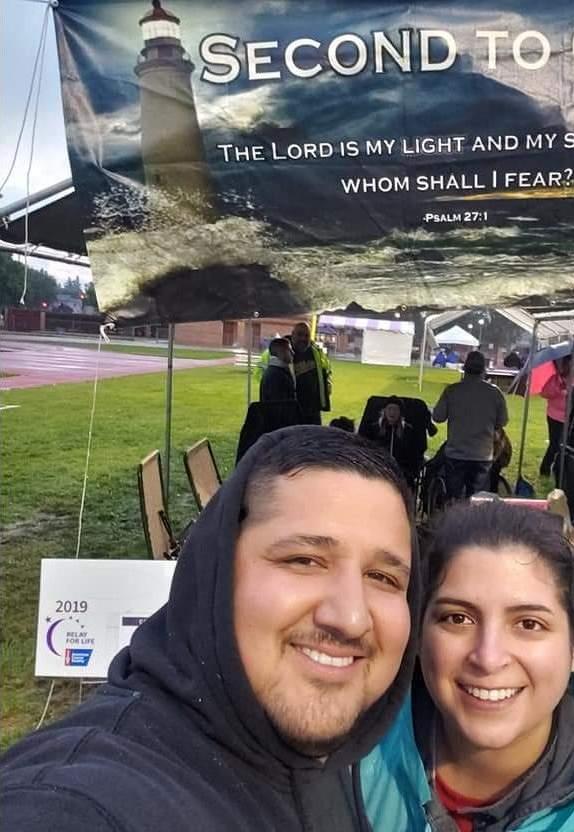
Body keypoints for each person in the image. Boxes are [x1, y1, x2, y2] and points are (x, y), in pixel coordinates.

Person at [0, 427, 420, 831]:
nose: (350, 617)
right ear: (216, 570)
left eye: (383, 577)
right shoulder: (84, 801)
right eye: (303, 560)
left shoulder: (334, 755)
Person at [360, 501, 574, 831]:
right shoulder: (341, 769)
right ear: (418, 634)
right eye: (458, 618)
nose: (488, 657)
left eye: (529, 624)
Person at [433, 351, 509, 500]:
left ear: (465, 368)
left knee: (454, 499)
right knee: (478, 501)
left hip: (456, 453)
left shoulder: (452, 391)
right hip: (482, 454)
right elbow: (502, 422)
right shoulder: (495, 393)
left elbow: (438, 417)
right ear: (484, 370)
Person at [367, 396, 424, 490]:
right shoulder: (373, 429)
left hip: (402, 474)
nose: (392, 412)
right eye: (389, 409)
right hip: (378, 472)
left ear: (400, 413)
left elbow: (414, 456)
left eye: (395, 409)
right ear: (384, 411)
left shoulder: (409, 432)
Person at [290, 321, 332, 424]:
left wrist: (327, 390)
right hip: (291, 410)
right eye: (299, 334)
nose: (303, 338)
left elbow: (326, 372)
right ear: (292, 334)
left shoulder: (316, 352)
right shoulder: (282, 350)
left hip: (313, 410)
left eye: (306, 335)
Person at [539, 356, 571, 478]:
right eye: (568, 364)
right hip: (555, 416)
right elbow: (544, 393)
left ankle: (559, 469)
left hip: (568, 417)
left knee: (564, 445)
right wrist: (558, 390)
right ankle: (545, 468)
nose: (571, 367)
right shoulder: (555, 379)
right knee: (555, 444)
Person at [259, 337, 296, 403]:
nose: (293, 353)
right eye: (289, 350)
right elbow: (279, 406)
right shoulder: (276, 375)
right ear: (281, 352)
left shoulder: (274, 371)